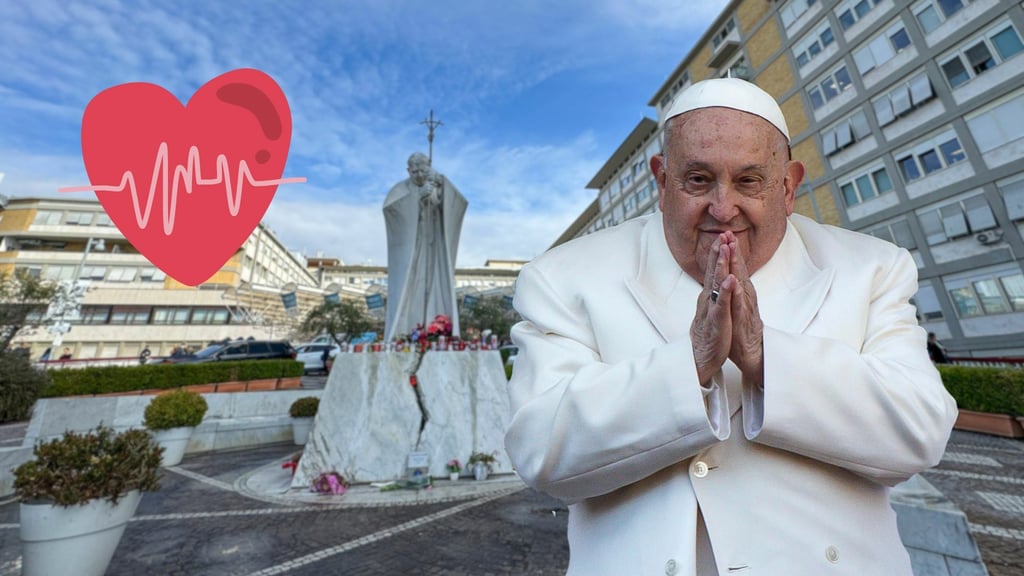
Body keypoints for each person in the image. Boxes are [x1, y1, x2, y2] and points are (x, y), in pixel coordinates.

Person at [504, 78, 958, 575]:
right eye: (698, 180)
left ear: (787, 187)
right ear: (661, 182)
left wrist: (765, 358)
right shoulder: (566, 276)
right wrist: (692, 365)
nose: (723, 209)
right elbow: (541, 449)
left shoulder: (870, 268)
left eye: (749, 181)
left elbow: (919, 431)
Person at [382, 152, 468, 342]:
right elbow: (391, 210)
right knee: (413, 285)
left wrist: (442, 187)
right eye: (415, 171)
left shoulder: (437, 183)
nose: (419, 175)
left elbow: (458, 203)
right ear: (408, 171)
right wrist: (416, 198)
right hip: (412, 249)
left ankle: (436, 326)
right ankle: (406, 330)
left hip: (434, 246)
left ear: (429, 166)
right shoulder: (400, 189)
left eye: (423, 170)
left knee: (434, 282)